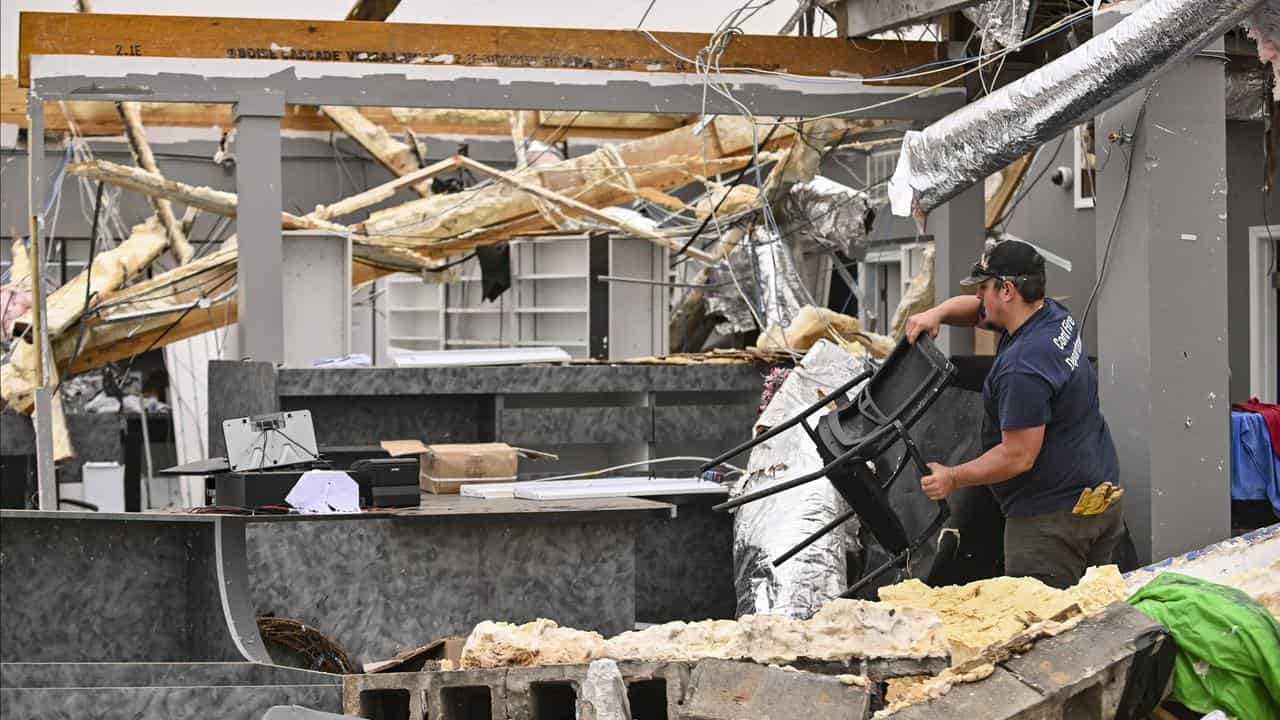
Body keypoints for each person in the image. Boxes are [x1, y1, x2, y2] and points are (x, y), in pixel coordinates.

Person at [905, 239, 1123, 589]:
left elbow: (1018, 456)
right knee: (1095, 614)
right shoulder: (1052, 316)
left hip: (1051, 524)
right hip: (1097, 501)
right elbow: (977, 311)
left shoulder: (1023, 368)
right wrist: (939, 313)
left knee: (1044, 632)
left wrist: (952, 477)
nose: (980, 297)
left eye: (984, 288)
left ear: (1007, 290)